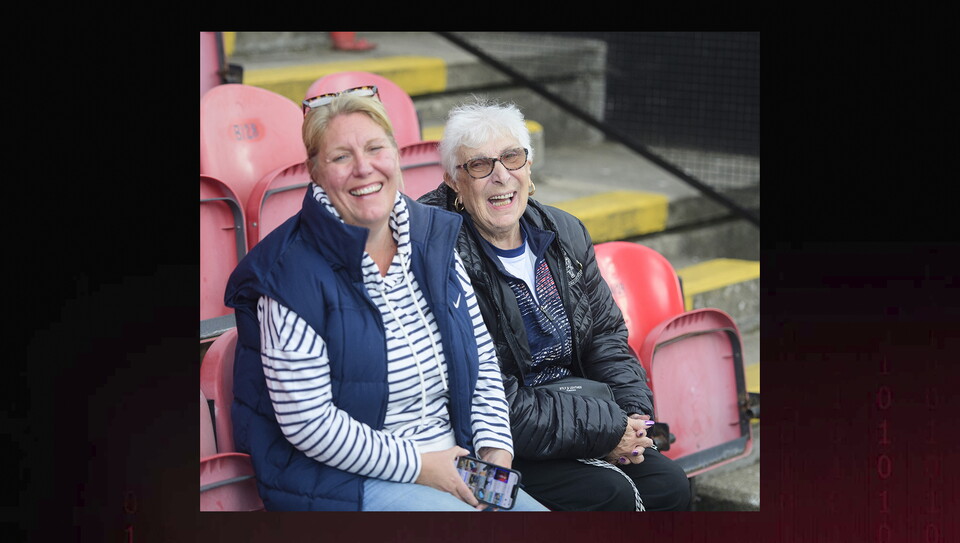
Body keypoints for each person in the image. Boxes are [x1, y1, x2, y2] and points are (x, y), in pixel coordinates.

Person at [224, 87, 548, 512]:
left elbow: (482, 361)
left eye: (376, 148)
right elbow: (309, 423)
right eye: (341, 157)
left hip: (452, 462)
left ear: (395, 155)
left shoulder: (432, 237)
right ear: (315, 172)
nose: (364, 168)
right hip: (341, 481)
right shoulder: (287, 272)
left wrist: (494, 453)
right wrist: (422, 466)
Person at [418, 98, 691, 511]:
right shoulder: (440, 252)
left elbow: (605, 336)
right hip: (499, 435)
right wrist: (605, 431)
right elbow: (484, 391)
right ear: (454, 182)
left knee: (669, 485)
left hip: (582, 413)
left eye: (512, 157)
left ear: (528, 167)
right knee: (608, 495)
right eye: (479, 165)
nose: (500, 175)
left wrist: (632, 417)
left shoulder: (563, 231)